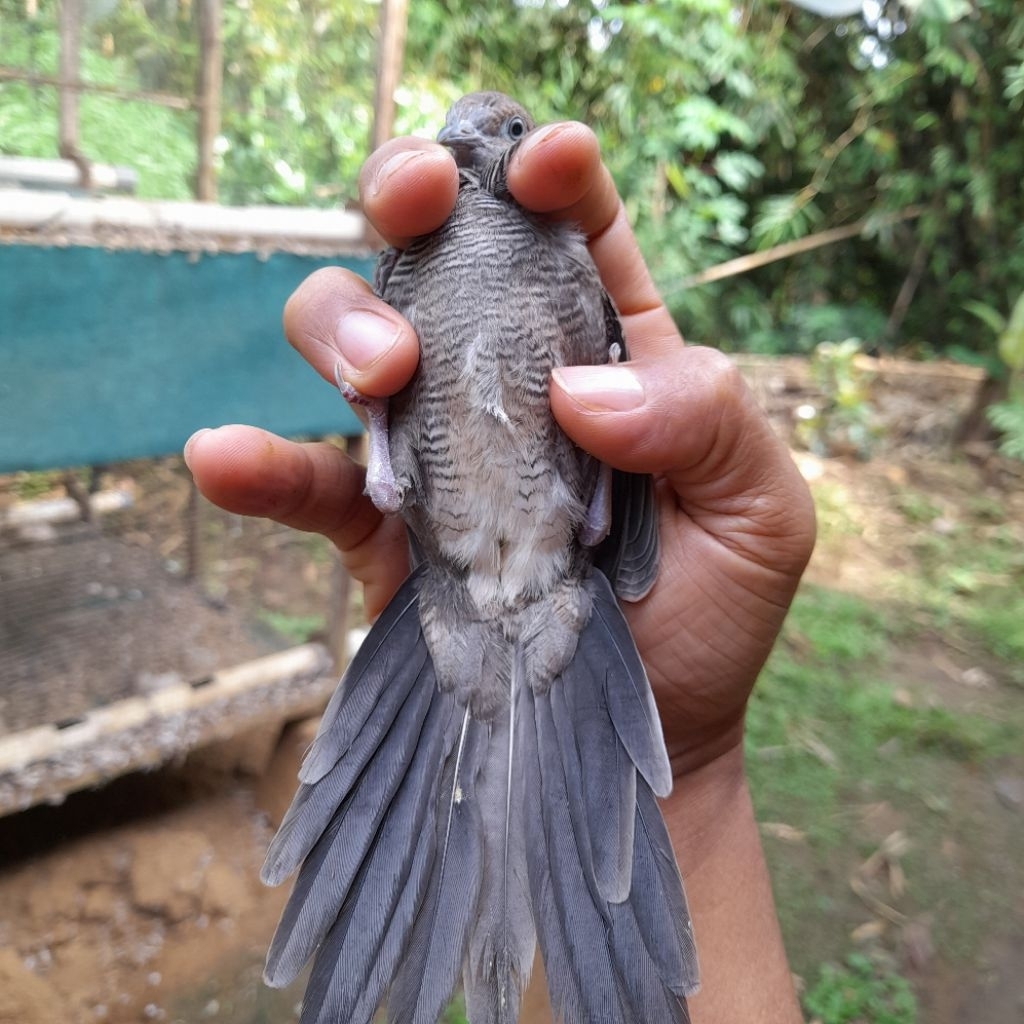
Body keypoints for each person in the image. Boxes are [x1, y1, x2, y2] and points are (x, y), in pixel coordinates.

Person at [184, 120, 815, 1023]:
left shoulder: (569, 258)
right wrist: (377, 418)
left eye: (505, 130)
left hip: (562, 568)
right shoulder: (405, 271)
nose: (476, 143)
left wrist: (698, 764)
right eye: (464, 132)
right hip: (451, 581)